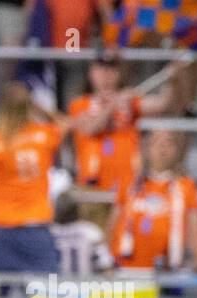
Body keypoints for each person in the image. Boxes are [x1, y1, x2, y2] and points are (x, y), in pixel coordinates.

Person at [0, 82, 65, 275]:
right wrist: (37, 106)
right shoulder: (42, 137)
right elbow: (63, 123)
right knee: (45, 295)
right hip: (35, 225)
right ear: (28, 107)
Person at [68, 49, 179, 199]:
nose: (106, 74)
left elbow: (163, 104)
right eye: (101, 68)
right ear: (91, 72)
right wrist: (113, 105)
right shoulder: (79, 104)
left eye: (112, 68)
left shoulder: (128, 103)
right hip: (92, 188)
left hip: (127, 187)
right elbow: (90, 128)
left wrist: (171, 78)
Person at [109, 130, 197, 270]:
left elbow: (196, 230)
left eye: (169, 143)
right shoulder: (129, 183)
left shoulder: (186, 186)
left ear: (178, 150)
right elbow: (113, 224)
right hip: (127, 269)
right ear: (146, 149)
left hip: (168, 272)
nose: (162, 148)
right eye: (156, 143)